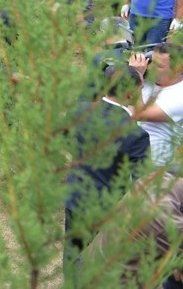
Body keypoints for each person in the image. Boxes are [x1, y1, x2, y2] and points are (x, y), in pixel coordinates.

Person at [64, 65, 150, 265]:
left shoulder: (79, 109)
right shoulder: (136, 135)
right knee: (98, 263)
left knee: (72, 254)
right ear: (129, 95)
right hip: (106, 207)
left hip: (74, 194)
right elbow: (142, 181)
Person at [130, 43, 183, 168]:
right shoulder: (147, 78)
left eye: (158, 66)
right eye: (151, 61)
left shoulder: (180, 94)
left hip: (154, 162)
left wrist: (134, 77)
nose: (151, 67)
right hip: (129, 150)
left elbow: (139, 114)